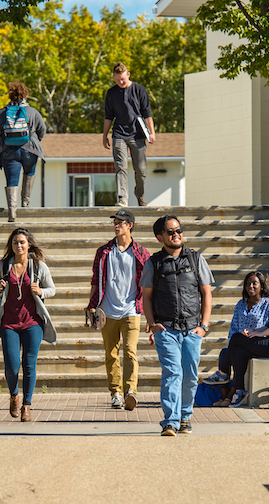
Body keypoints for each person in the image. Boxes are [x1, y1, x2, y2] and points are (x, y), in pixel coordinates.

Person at [142, 215, 214, 436]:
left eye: (179, 230)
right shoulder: (153, 262)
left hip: (192, 328)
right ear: (160, 237)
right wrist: (152, 324)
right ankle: (170, 421)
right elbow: (146, 297)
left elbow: (206, 293)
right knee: (172, 372)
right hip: (166, 329)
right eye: (171, 232)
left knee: (190, 374)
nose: (176, 235)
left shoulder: (195, 259)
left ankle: (185, 417)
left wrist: (203, 325)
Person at [0, 228, 57, 421]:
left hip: (32, 323)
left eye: (22, 242)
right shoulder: (3, 266)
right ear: (12, 245)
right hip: (9, 323)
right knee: (11, 365)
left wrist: (41, 292)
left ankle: (27, 405)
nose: (19, 245)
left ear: (29, 245)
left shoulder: (38, 266)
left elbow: (52, 289)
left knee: (29, 364)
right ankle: (14, 395)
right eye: (15, 242)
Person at [87, 208, 151, 410]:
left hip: (132, 308)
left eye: (121, 222)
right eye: (115, 222)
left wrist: (151, 314)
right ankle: (116, 393)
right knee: (111, 354)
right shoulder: (104, 252)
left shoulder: (141, 253)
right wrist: (91, 307)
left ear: (130, 225)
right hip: (107, 310)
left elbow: (149, 285)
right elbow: (95, 282)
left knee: (130, 351)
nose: (116, 225)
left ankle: (130, 391)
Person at [212, 268, 269, 408]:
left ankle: (223, 373)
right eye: (268, 275)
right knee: (238, 352)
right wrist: (254, 331)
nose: (268, 277)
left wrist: (261, 334)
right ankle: (239, 390)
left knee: (237, 338)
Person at [203, 271, 269, 394]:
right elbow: (233, 327)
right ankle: (224, 394)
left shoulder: (267, 304)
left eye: (254, 283)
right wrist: (238, 336)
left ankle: (230, 394)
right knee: (226, 352)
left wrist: (252, 332)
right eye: (248, 284)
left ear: (261, 285)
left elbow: (266, 326)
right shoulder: (241, 304)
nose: (251, 286)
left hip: (255, 342)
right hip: (238, 341)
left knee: (234, 352)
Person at [0, 82, 47, 222]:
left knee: (12, 180)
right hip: (30, 150)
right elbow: (42, 129)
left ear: (10, 95)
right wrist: (33, 141)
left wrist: (3, 142)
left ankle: (12, 212)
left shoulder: (2, 113)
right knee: (29, 173)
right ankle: (25, 204)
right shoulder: (32, 112)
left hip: (8, 151)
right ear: (25, 94)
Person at [102, 62, 156, 207]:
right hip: (119, 134)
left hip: (137, 134)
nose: (120, 82)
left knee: (141, 170)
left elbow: (147, 114)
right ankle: (122, 198)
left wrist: (152, 132)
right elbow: (108, 116)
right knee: (120, 167)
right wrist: (105, 135)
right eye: (117, 79)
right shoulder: (111, 93)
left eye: (123, 79)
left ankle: (140, 195)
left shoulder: (139, 90)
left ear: (128, 75)